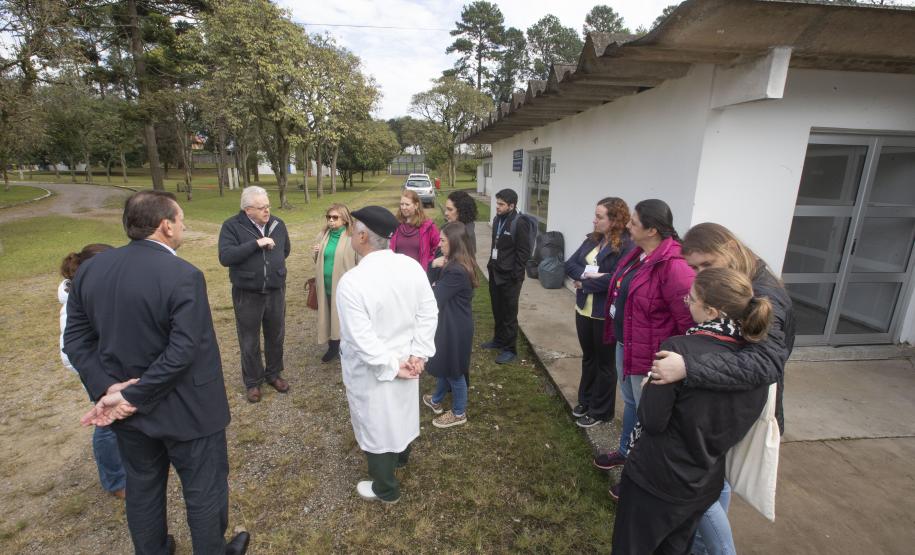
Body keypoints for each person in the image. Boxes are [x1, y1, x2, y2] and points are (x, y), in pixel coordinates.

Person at [64, 190, 249, 555]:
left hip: (127, 411)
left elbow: (75, 340)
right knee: (204, 489)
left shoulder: (91, 270)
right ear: (166, 226)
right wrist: (126, 394)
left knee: (143, 487)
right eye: (181, 220)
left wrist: (108, 389)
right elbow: (184, 350)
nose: (184, 227)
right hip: (189, 409)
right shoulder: (183, 275)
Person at [650, 222, 797, 555]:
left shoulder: (766, 294)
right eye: (694, 268)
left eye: (706, 264)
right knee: (711, 484)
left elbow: (765, 364)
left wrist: (689, 367)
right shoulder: (743, 281)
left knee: (707, 490)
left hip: (734, 409)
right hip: (722, 404)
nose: (700, 274)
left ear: (729, 248)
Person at [611, 268, 772, 554]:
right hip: (704, 482)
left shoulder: (678, 350)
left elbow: (651, 420)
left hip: (657, 479)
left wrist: (649, 388)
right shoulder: (757, 363)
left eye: (691, 298)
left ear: (711, 311)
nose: (686, 302)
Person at [336, 206, 438, 504]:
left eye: (352, 230)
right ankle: (401, 458)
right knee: (402, 412)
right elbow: (428, 313)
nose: (349, 235)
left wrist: (393, 365)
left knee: (376, 422)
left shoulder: (352, 282)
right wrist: (418, 354)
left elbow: (360, 338)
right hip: (407, 360)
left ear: (363, 236)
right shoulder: (410, 266)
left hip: (376, 368)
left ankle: (385, 488)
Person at [594, 199, 694, 473]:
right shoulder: (639, 253)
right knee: (631, 403)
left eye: (634, 222)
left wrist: (673, 361)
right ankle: (625, 452)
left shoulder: (675, 266)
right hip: (626, 344)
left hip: (650, 355)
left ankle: (641, 472)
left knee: (646, 413)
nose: (628, 225)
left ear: (652, 230)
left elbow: (687, 323)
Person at [59, 243, 126, 499]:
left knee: (120, 417)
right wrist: (103, 379)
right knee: (107, 424)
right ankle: (116, 481)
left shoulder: (104, 292)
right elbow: (71, 350)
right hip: (99, 373)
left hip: (114, 368)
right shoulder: (75, 303)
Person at [218, 185, 291, 403]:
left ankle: (274, 374)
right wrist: (256, 244)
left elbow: (285, 250)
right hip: (247, 293)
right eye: (261, 208)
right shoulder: (232, 226)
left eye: (268, 206)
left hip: (275, 290)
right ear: (247, 210)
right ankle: (253, 382)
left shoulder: (278, 224)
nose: (267, 211)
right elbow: (226, 257)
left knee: (276, 335)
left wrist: (273, 269)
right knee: (249, 340)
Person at [564, 197, 632, 428]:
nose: (594, 220)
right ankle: (585, 400)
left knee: (605, 364)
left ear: (615, 220)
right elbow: (570, 264)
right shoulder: (593, 239)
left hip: (604, 313)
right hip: (583, 308)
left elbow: (618, 279)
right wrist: (591, 278)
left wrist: (585, 283)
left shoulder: (627, 246)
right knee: (588, 357)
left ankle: (601, 411)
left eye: (599, 216)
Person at [422, 222, 478, 428]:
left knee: (454, 370)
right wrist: (434, 268)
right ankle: (436, 399)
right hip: (452, 322)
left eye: (443, 240)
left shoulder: (456, 270)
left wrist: (434, 272)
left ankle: (458, 412)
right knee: (446, 363)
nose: (439, 244)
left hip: (455, 327)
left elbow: (434, 298)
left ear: (454, 242)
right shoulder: (456, 263)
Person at [482, 188, 533, 365]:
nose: (497, 207)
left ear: (511, 206)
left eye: (501, 204)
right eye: (497, 203)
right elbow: (495, 245)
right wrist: (491, 265)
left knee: (509, 314)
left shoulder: (520, 223)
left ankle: (510, 349)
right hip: (495, 272)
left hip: (510, 277)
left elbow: (523, 252)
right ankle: (498, 340)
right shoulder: (497, 219)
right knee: (497, 309)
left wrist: (516, 276)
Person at [312, 203, 357, 363]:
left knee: (345, 318)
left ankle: (349, 348)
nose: (331, 220)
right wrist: (316, 253)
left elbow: (358, 261)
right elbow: (318, 260)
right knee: (329, 315)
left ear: (344, 219)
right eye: (328, 217)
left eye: (335, 217)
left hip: (344, 287)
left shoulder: (352, 238)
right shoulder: (323, 235)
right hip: (326, 285)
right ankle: (333, 347)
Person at [428, 190, 479, 282]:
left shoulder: (465, 235)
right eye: (446, 209)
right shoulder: (449, 227)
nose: (446, 213)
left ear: (462, 211)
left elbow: (463, 267)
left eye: (450, 209)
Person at [390, 189, 439, 269]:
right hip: (397, 272)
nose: (403, 207)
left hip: (419, 273)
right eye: (402, 204)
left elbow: (438, 248)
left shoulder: (428, 226)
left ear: (416, 205)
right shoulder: (395, 225)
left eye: (407, 204)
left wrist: (428, 263)